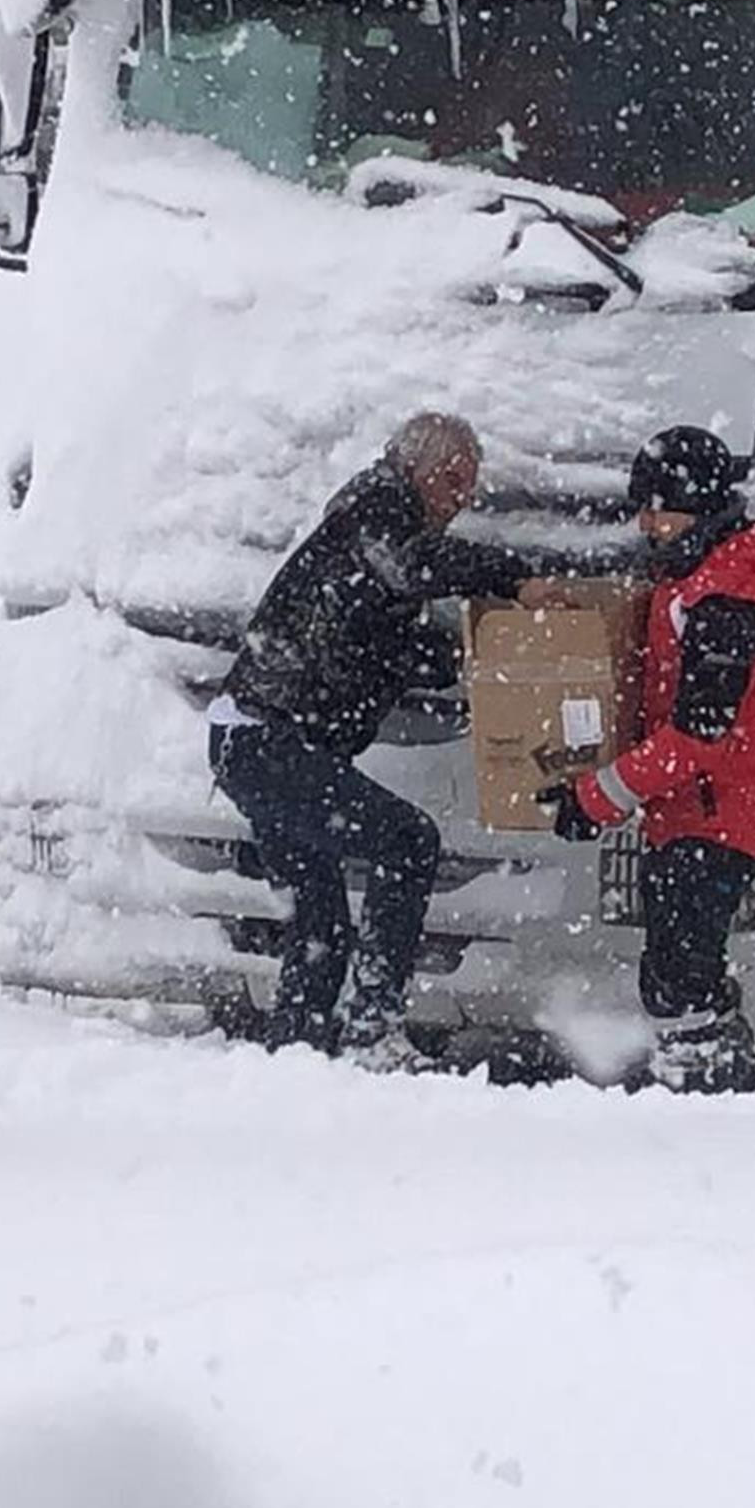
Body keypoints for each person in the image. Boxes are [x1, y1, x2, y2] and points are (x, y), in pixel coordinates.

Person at [209, 411, 557, 1065]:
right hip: (266, 742)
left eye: (469, 488)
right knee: (408, 841)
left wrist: (491, 653)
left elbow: (393, 646)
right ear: (412, 468)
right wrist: (510, 574)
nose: (461, 500)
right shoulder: (377, 513)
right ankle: (374, 1032)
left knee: (322, 922)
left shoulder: (369, 541)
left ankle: (297, 1054)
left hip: (254, 743)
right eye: (452, 481)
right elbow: (410, 566)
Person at [542, 427, 755, 1095]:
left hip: (716, 811)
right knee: (677, 969)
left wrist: (598, 795)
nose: (645, 522)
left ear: (694, 506)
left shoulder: (728, 601)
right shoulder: (707, 576)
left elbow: (700, 731)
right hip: (697, 808)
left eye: (656, 506)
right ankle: (704, 1083)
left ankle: (706, 1093)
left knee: (679, 977)